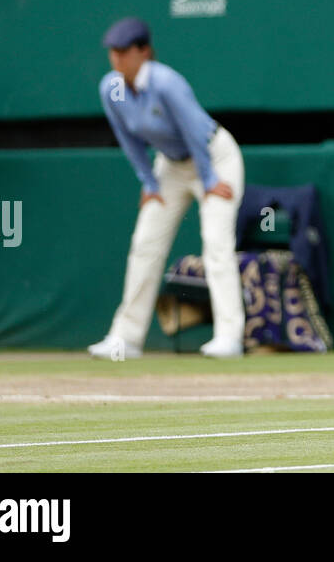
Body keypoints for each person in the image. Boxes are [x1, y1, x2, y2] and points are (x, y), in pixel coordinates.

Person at [89, 18, 246, 360]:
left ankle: (229, 338)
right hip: (169, 167)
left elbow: (193, 130)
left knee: (217, 245)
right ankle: (125, 340)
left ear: (143, 52)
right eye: (112, 53)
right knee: (145, 245)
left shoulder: (166, 82)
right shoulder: (110, 89)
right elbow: (128, 139)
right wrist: (148, 181)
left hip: (214, 159)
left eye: (124, 52)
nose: (116, 59)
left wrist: (208, 180)